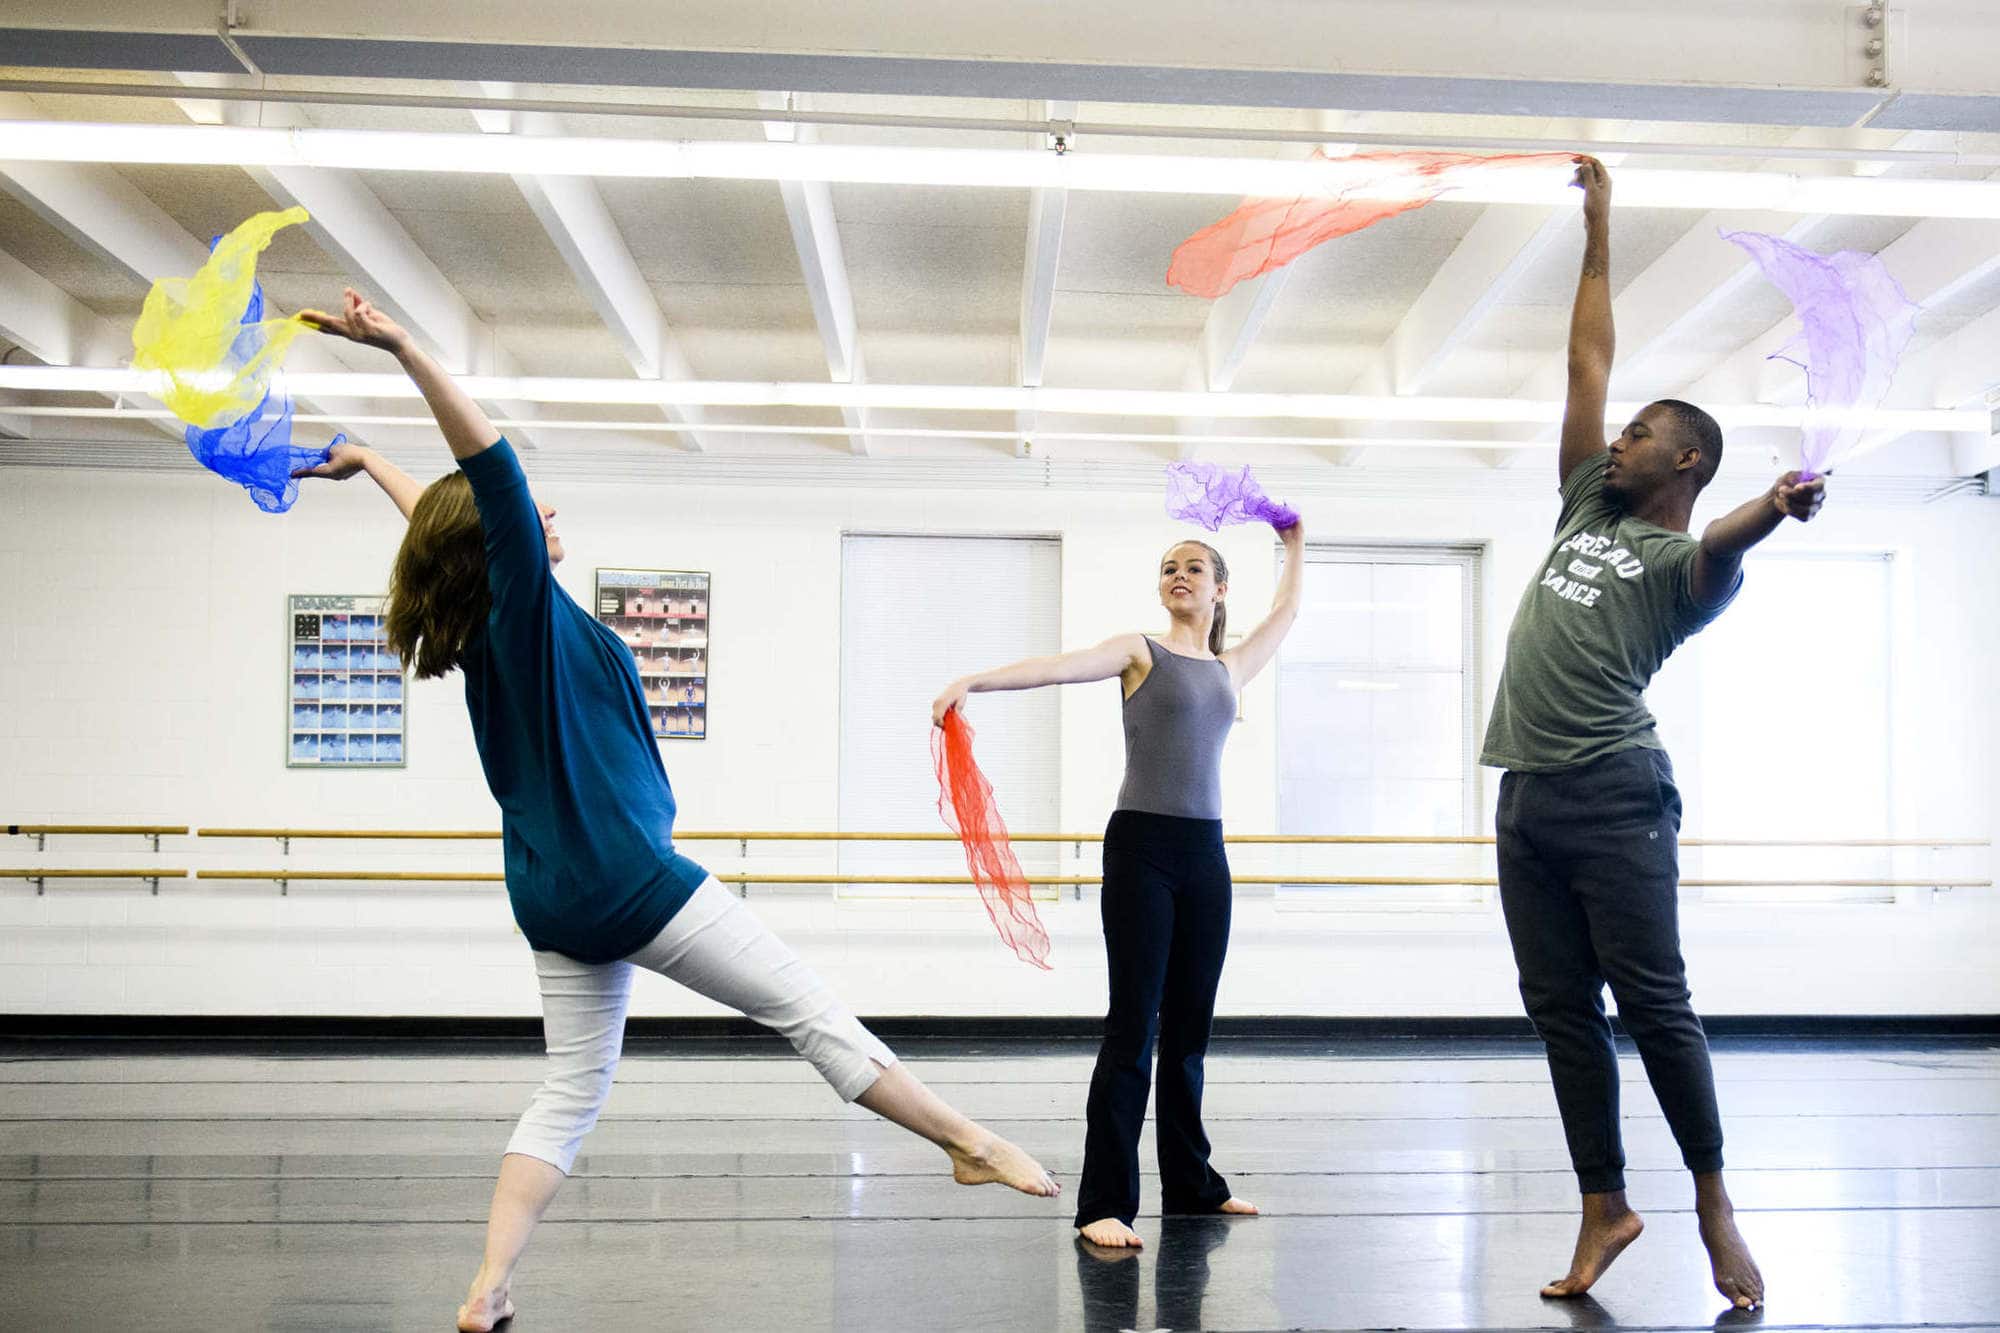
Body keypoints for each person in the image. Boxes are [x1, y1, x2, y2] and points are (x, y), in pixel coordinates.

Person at [296, 289, 1060, 1333]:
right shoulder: (514, 600)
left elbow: (439, 520)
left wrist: (367, 465)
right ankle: (968, 1142)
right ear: (502, 540)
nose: (546, 514)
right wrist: (400, 349)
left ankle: (487, 1288)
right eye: (531, 515)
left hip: (550, 893)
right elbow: (487, 473)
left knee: (568, 1091)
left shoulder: (486, 617)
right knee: (806, 1008)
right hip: (625, 876)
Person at [1481, 158, 1825, 1311]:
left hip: (1613, 792)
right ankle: (1602, 1203)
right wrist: (1596, 228)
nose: (1612, 439)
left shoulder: (1685, 567)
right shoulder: (1586, 501)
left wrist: (1774, 505)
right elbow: (1587, 359)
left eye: (1637, 435)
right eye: (1618, 431)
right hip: (1523, 797)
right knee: (1558, 1009)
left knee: (1655, 1003)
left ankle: (1712, 1198)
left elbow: (1727, 536)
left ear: (1682, 459)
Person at [932, 520, 1306, 1248]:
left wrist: (1294, 541)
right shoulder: (1141, 651)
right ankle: (1104, 1200)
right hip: (1142, 849)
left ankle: (1194, 1187)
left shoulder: (1231, 670)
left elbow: (1287, 613)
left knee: (1190, 1032)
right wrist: (976, 679)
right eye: (1170, 566)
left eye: (1195, 567)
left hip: (1207, 854)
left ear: (1220, 588)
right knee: (1134, 1026)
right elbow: (1059, 665)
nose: (1180, 574)